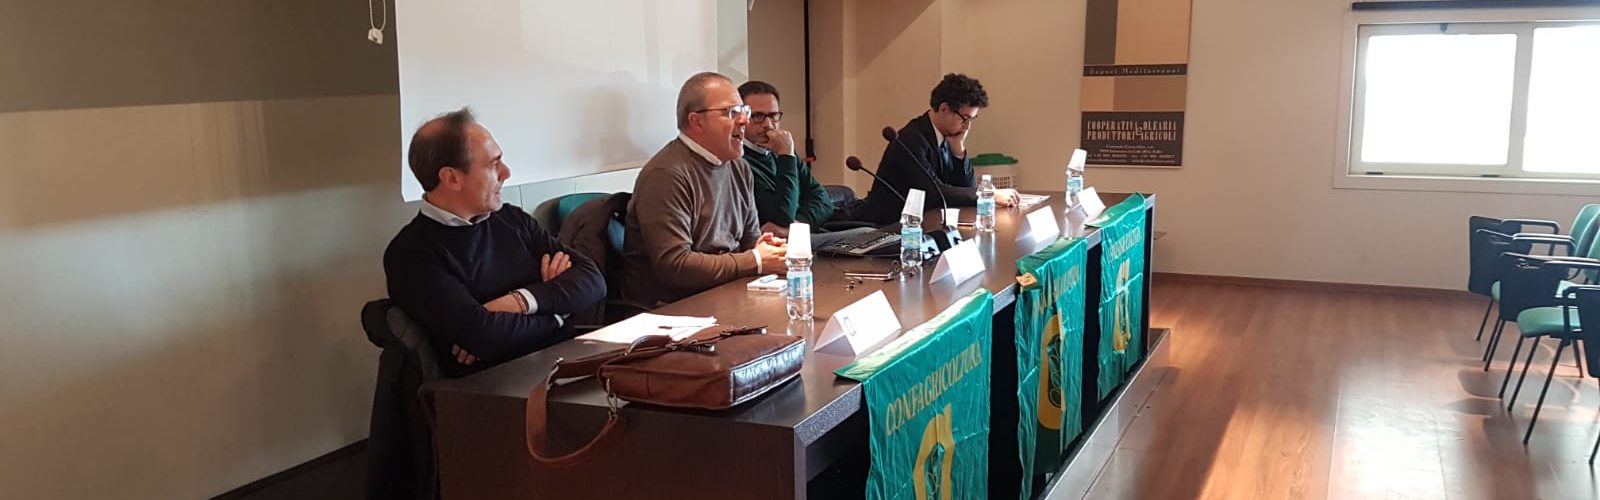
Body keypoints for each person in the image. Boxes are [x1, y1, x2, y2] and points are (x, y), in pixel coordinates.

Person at [384, 108, 606, 376]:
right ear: (452, 178)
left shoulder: (511, 219)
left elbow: (593, 281)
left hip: (566, 362)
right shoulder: (410, 255)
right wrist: (560, 311)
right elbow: (485, 336)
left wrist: (517, 303)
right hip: (498, 385)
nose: (506, 172)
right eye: (493, 164)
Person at [621, 72, 787, 307]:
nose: (744, 121)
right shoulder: (667, 174)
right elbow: (675, 266)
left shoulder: (738, 167)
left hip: (729, 293)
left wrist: (766, 250)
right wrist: (756, 260)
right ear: (697, 121)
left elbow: (749, 240)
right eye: (731, 112)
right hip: (674, 308)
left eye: (744, 111)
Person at [856, 73, 1018, 224]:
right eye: (965, 119)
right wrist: (987, 195)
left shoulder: (948, 136)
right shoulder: (911, 139)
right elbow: (934, 192)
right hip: (889, 227)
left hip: (927, 222)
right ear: (944, 109)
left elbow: (966, 188)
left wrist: (959, 151)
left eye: (972, 119)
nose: (967, 127)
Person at [738, 80, 874, 248]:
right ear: (741, 118)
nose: (768, 124)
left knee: (877, 236)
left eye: (773, 115)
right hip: (774, 246)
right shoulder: (741, 162)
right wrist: (786, 156)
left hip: (801, 233)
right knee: (866, 235)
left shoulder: (782, 149)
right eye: (757, 116)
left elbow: (822, 199)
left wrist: (796, 227)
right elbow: (781, 216)